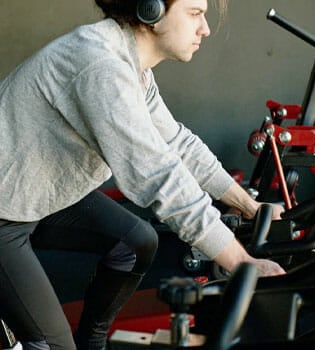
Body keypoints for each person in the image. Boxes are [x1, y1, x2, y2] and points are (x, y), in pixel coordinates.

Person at [0, 0, 285, 349]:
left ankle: (93, 343)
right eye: (195, 13)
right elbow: (158, 174)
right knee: (53, 345)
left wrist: (252, 207)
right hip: (3, 214)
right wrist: (242, 263)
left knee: (136, 242)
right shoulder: (100, 65)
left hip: (35, 196)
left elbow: (178, 144)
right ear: (151, 10)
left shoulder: (131, 66)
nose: (205, 29)